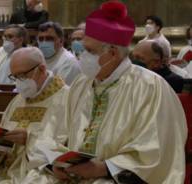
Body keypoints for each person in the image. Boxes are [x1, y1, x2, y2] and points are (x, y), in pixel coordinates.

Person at [22, 1, 187, 183]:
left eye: (89, 51)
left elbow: (158, 151)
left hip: (115, 178)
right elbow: (56, 133)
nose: (81, 56)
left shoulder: (150, 87)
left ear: (113, 53)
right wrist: (54, 164)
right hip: (71, 175)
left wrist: (104, 168)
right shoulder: (81, 84)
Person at [0, 47, 69, 184]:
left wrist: (29, 140)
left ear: (42, 69)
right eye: (14, 77)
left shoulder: (66, 99)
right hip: (8, 171)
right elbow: (3, 138)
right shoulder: (18, 100)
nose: (18, 82)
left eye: (22, 75)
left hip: (42, 174)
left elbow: (68, 146)